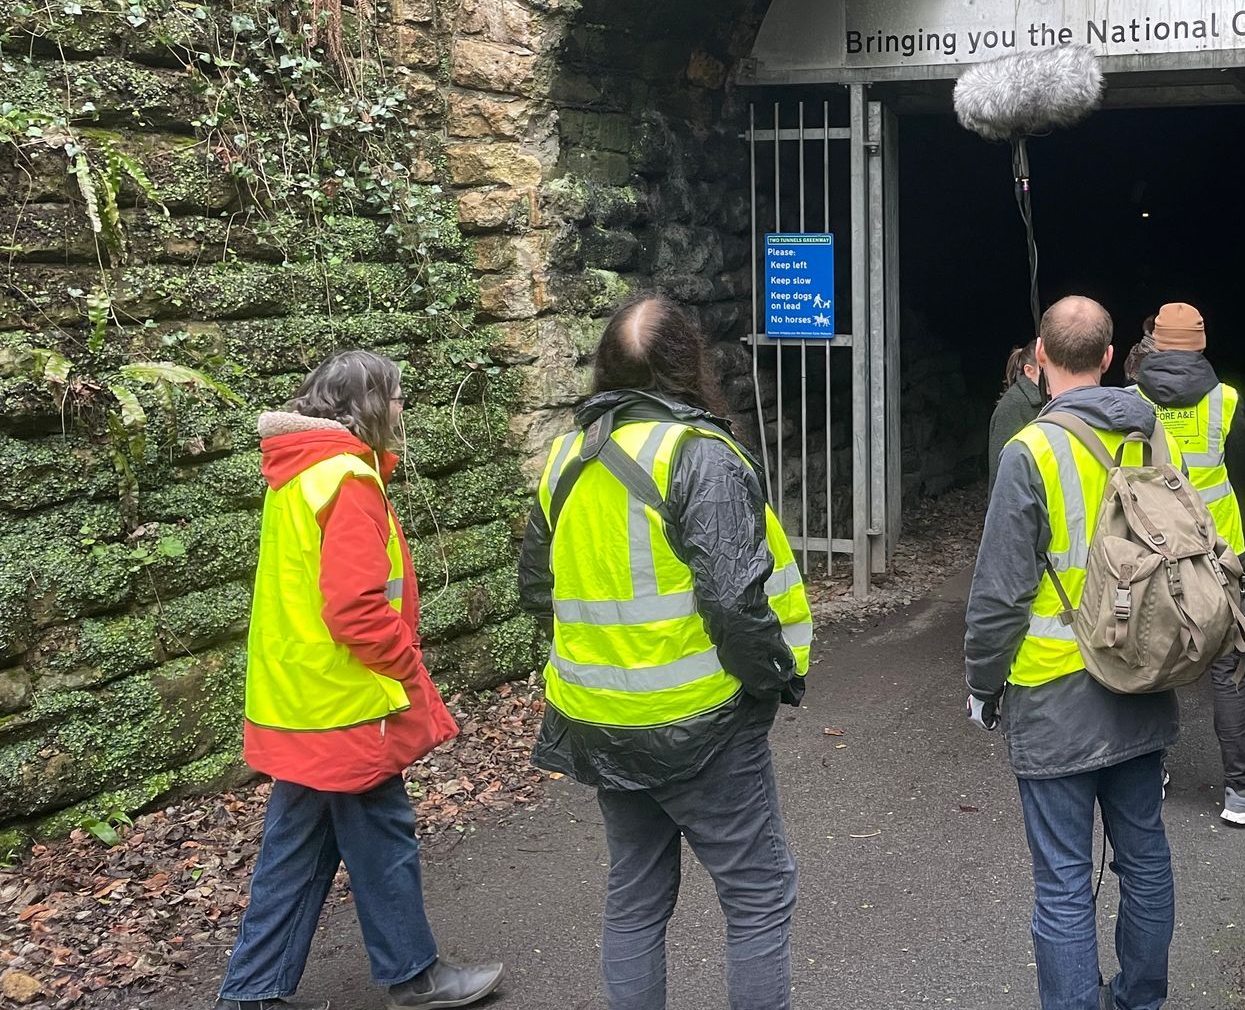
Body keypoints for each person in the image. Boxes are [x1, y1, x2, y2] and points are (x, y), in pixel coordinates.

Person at [518, 297, 813, 1010]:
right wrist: (770, 683)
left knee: (636, 896)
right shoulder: (699, 455)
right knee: (758, 894)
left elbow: (538, 590)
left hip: (598, 719)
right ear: (691, 364)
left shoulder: (564, 455)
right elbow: (735, 602)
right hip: (700, 722)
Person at [216, 351, 503, 1010]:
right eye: (398, 397)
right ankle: (415, 977)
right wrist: (406, 664)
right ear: (371, 405)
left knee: (299, 851)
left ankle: (252, 993)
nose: (403, 409)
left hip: (301, 697)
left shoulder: (299, 475)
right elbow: (356, 608)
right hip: (346, 702)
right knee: (382, 838)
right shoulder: (346, 480)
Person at [965, 295, 1177, 1010]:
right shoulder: (1149, 433)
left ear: (1040, 360)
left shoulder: (1028, 451)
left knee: (1062, 879)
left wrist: (982, 682)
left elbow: (999, 595)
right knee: (1144, 856)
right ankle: (1140, 1000)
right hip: (1142, 672)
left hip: (1055, 690)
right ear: (1111, 357)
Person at [1131, 303, 1245, 826]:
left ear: (1154, 343)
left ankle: (1149, 775)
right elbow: (1243, 465)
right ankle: (1241, 793)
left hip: (1150, 548)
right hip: (1219, 550)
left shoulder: (1128, 401)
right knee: (1229, 665)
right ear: (1202, 345)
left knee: (1154, 659)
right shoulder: (1225, 399)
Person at [987, 339, 1046, 480]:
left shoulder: (1052, 398)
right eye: (1047, 369)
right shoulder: (1011, 407)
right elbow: (1001, 472)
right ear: (1029, 371)